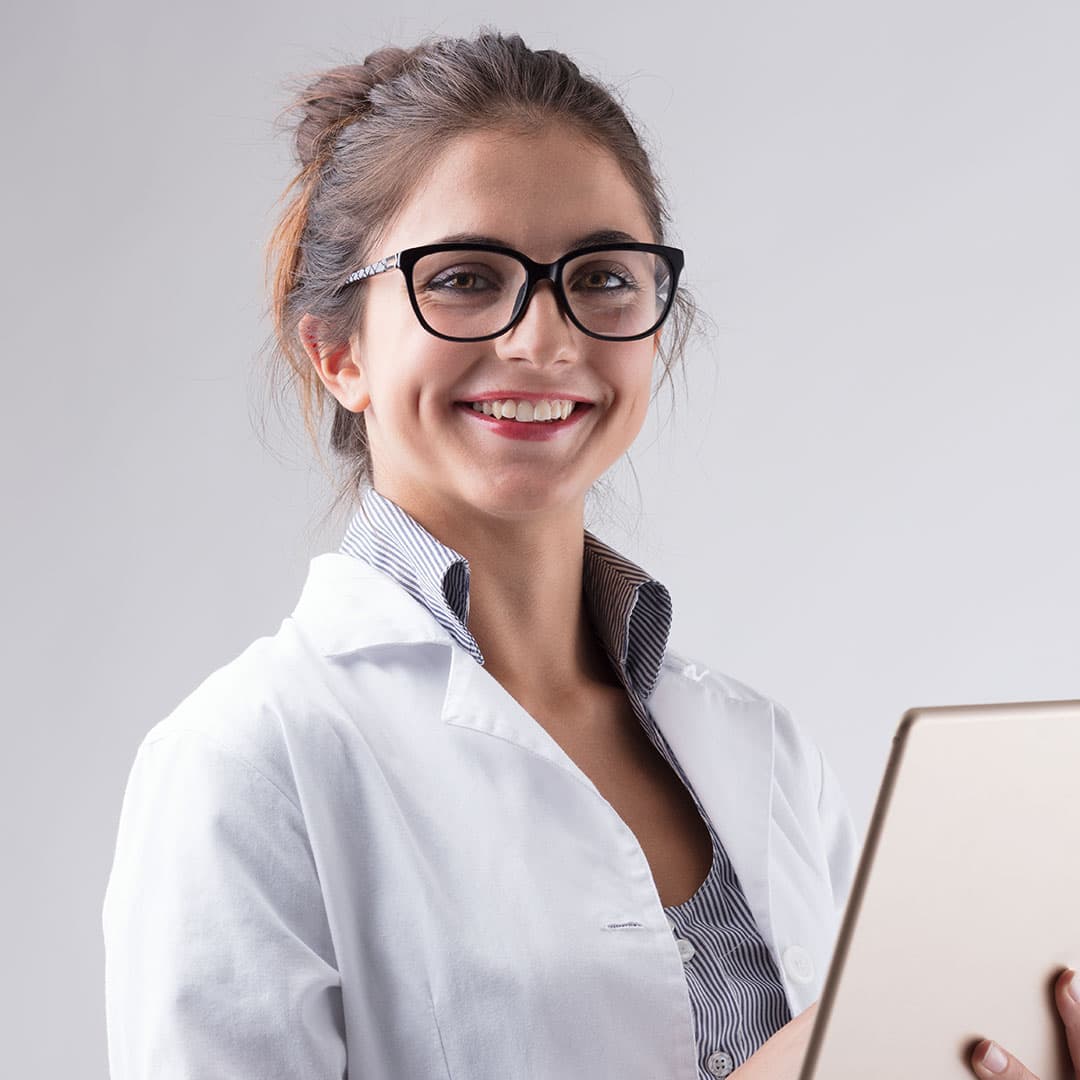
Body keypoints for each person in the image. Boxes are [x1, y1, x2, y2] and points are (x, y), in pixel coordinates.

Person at [102, 30, 861, 1080]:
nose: (543, 338)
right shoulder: (247, 762)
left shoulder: (761, 749)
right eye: (463, 276)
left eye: (601, 276)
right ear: (339, 352)